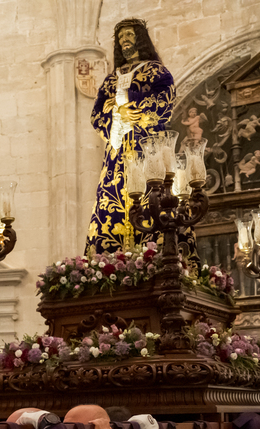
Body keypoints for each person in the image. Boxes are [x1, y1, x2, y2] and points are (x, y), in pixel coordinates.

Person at [86, 17, 175, 254]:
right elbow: (96, 115)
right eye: (121, 37)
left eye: (129, 35)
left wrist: (134, 105)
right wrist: (116, 111)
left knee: (153, 200)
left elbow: (165, 100)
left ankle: (154, 253)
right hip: (116, 157)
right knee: (110, 204)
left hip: (147, 148)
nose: (124, 40)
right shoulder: (111, 80)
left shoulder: (156, 71)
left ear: (140, 38)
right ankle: (108, 259)